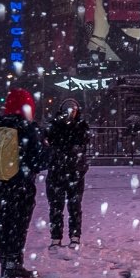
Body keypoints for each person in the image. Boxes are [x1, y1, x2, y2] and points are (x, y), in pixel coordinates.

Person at [0, 88, 49, 278]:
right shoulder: (28, 129)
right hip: (20, 185)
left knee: (3, 224)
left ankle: (5, 262)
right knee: (18, 224)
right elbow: (40, 160)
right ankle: (14, 264)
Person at [46, 98, 91, 249]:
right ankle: (59, 237)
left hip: (69, 170)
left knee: (71, 206)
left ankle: (71, 236)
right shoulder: (56, 125)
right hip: (64, 170)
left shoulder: (78, 126)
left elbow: (84, 140)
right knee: (59, 206)